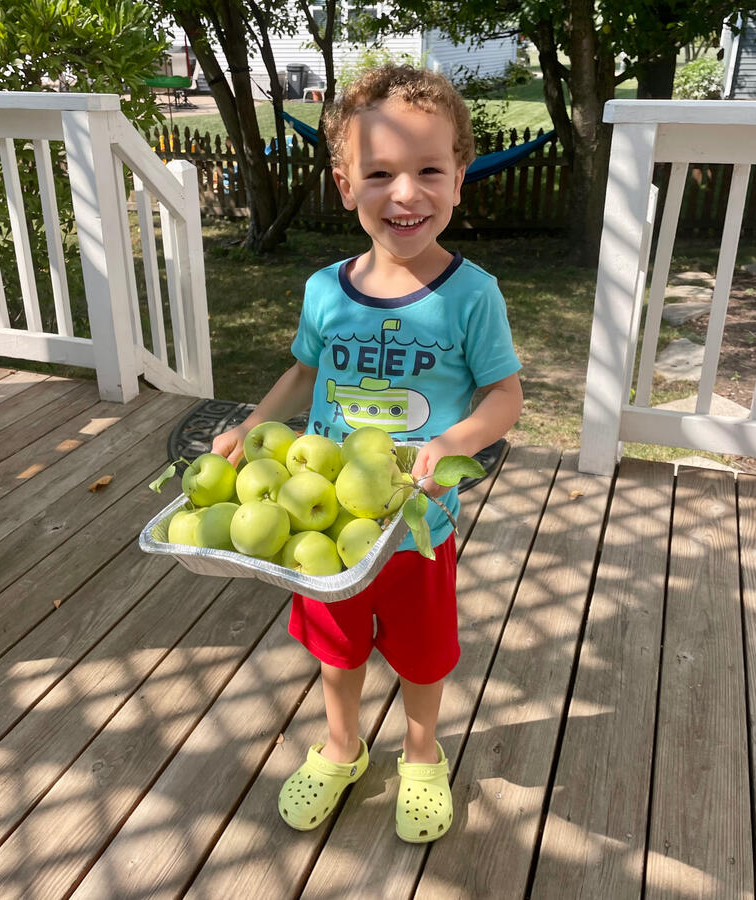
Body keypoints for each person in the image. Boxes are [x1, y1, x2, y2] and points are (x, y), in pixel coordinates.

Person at [212, 64, 523, 843]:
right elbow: (305, 368)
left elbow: (505, 398)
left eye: (429, 171)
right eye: (380, 173)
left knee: (421, 654)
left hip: (417, 522)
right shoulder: (327, 289)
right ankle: (344, 746)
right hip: (320, 529)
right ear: (346, 183)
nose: (406, 193)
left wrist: (453, 443)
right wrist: (251, 425)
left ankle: (422, 755)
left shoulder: (471, 294)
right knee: (335, 645)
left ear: (460, 180)